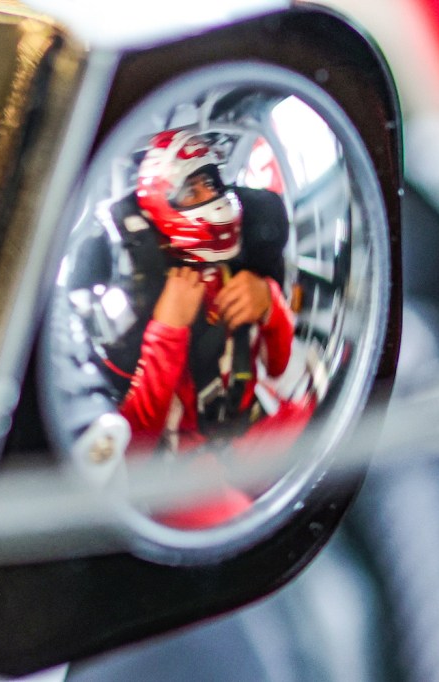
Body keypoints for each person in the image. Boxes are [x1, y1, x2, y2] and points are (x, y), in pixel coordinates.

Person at [99, 129, 302, 526]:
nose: (209, 197)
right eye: (191, 189)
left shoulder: (236, 273)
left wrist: (270, 303)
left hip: (249, 427)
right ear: (161, 201)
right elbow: (133, 448)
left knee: (346, 438)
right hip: (182, 461)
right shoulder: (136, 299)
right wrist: (167, 332)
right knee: (237, 525)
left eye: (210, 182)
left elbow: (277, 366)